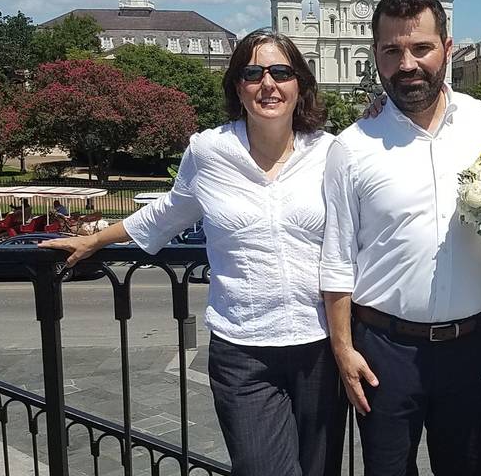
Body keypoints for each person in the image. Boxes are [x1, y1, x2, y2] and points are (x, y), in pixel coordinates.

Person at [40, 29, 345, 476]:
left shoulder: (330, 151)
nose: (268, 84)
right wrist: (96, 239)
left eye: (281, 72)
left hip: (319, 344)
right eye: (252, 73)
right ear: (236, 86)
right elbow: (169, 211)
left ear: (300, 83)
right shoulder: (208, 150)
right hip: (243, 349)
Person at [320, 0, 481, 476]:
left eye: (421, 48)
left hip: (473, 349)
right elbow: (337, 258)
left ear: (447, 49)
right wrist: (343, 350)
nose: (407, 64)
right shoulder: (351, 147)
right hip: (385, 352)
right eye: (392, 51)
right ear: (376, 56)